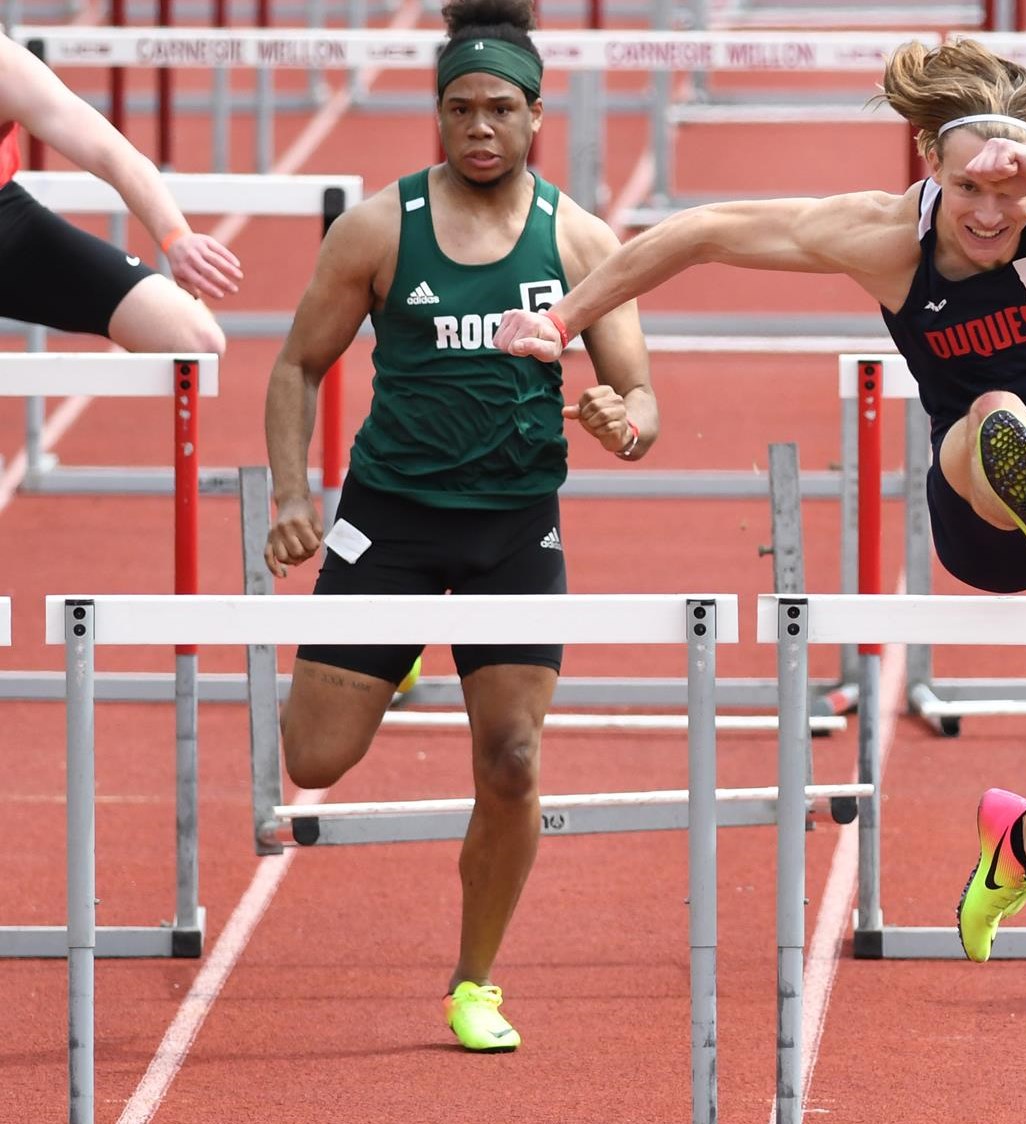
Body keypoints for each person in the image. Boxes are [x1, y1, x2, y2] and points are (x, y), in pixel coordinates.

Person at [493, 38, 1026, 964]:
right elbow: (702, 232)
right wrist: (562, 320)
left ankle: (1022, 841)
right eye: (970, 189)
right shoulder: (885, 241)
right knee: (995, 418)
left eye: (1009, 193)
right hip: (981, 505)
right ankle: (1021, 471)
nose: (991, 212)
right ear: (930, 163)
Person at [261, 0, 652, 1050]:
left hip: (512, 530)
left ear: (535, 116)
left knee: (514, 759)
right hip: (387, 521)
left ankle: (474, 980)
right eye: (459, 110)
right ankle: (393, 660)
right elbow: (298, 362)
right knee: (312, 760)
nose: (479, 128)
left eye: (499, 111)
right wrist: (293, 496)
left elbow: (639, 397)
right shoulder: (382, 227)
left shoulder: (579, 238)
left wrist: (622, 417)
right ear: (438, 115)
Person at [0, 36, 235, 354]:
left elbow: (111, 153)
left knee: (196, 339)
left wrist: (176, 237)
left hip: (6, 226)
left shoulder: (6, 67)